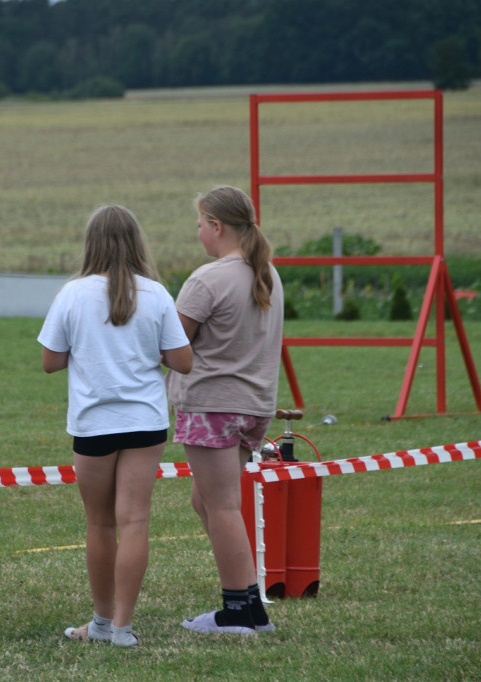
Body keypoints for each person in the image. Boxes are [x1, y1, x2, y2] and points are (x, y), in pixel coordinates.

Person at [38, 205, 192, 647]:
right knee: (135, 521)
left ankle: (102, 623)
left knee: (99, 524)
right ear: (137, 242)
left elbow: (50, 362)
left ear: (91, 243)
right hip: (145, 421)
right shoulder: (158, 293)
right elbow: (183, 360)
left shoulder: (72, 294)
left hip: (93, 424)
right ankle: (122, 628)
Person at [166, 185, 284, 635]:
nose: (198, 233)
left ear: (216, 227)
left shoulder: (207, 279)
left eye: (199, 224)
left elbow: (173, 346)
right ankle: (250, 605)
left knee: (222, 507)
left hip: (212, 406)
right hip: (254, 407)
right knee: (208, 500)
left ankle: (238, 612)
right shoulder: (268, 272)